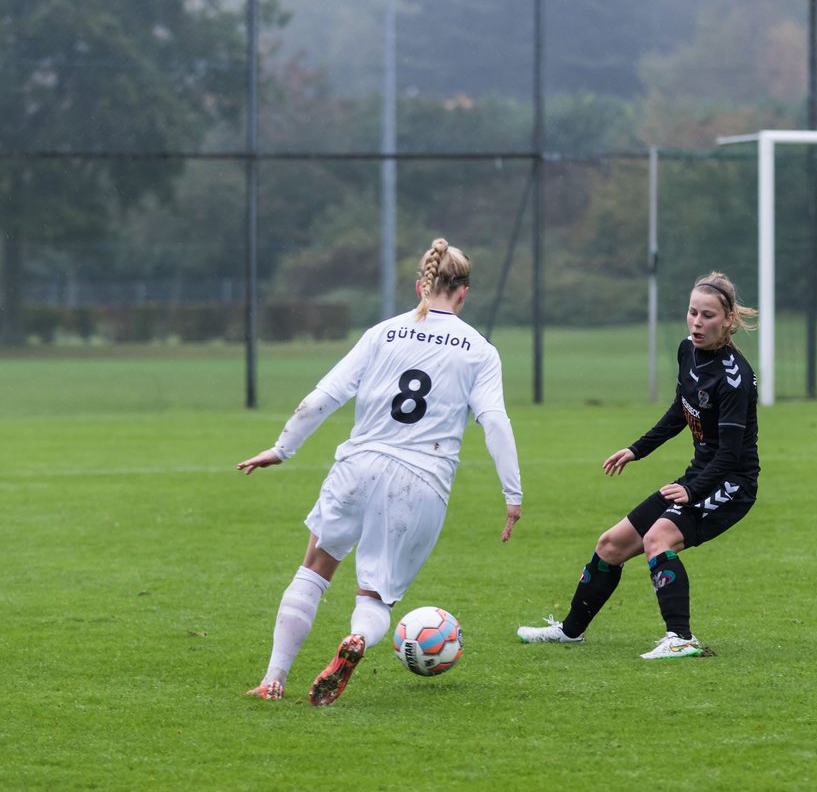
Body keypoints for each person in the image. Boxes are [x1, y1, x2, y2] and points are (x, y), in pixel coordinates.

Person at [238, 237, 522, 705]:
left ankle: (273, 679)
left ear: (420, 286)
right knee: (374, 598)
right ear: (464, 293)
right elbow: (495, 422)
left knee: (314, 569)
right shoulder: (479, 350)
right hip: (421, 482)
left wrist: (282, 448)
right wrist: (513, 495)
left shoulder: (382, 333)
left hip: (358, 467)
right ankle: (357, 640)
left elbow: (321, 397)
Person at [517, 271, 759, 659]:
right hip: (700, 477)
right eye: (693, 312)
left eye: (708, 316)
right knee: (610, 545)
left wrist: (693, 490)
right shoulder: (688, 351)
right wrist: (636, 450)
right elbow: (681, 412)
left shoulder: (735, 378)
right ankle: (569, 631)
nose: (697, 322)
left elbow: (730, 455)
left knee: (657, 539)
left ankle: (681, 638)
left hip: (731, 484)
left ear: (728, 320)